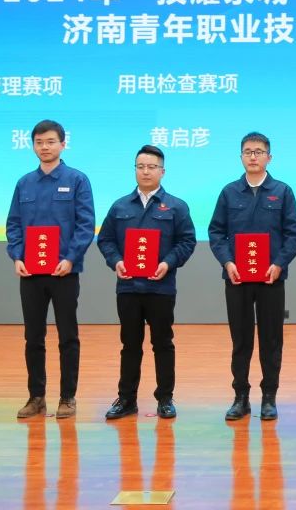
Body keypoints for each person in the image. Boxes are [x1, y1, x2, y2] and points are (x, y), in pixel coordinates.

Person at [208, 132, 296, 421]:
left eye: (259, 151)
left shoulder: (282, 192)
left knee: (271, 339)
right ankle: (241, 397)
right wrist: (227, 262)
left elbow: (293, 234)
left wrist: (279, 264)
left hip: (270, 279)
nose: (253, 156)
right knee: (241, 340)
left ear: (269, 157)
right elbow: (216, 232)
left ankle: (269, 397)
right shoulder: (229, 192)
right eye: (248, 151)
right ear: (241, 157)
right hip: (237, 278)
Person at [97, 145, 197, 420]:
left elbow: (187, 241)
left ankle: (165, 398)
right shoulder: (120, 206)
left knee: (163, 343)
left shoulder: (176, 206)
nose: (145, 172)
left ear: (162, 171)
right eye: (140, 167)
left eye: (151, 167)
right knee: (130, 344)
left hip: (160, 287)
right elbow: (105, 240)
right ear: (135, 170)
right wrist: (116, 261)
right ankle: (126, 399)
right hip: (128, 287)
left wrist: (168, 263)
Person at [5, 119, 95, 420]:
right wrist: (16, 256)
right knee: (33, 337)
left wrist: (70, 258)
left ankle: (68, 397)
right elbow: (14, 224)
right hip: (30, 273)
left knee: (68, 336)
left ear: (63, 144)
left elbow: (85, 224)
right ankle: (36, 397)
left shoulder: (77, 180)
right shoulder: (24, 183)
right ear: (33, 146)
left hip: (64, 272)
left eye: (51, 141)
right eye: (39, 142)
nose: (45, 147)